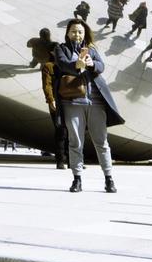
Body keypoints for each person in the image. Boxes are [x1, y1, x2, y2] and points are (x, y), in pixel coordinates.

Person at [55, 20, 123, 193]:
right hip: (73, 102)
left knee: (101, 142)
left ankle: (109, 178)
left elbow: (101, 66)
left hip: (96, 102)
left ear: (84, 33)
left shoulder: (91, 50)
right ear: (68, 33)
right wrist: (76, 65)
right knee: (75, 141)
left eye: (80, 32)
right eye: (73, 31)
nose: (77, 35)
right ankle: (77, 179)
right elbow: (62, 64)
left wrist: (92, 64)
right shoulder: (61, 49)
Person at [30, 28, 67, 169]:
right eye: (58, 51)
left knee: (71, 131)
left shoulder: (66, 65)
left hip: (69, 102)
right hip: (56, 103)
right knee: (61, 131)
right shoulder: (48, 66)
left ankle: (73, 158)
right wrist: (51, 100)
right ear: (52, 52)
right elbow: (47, 85)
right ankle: (61, 160)